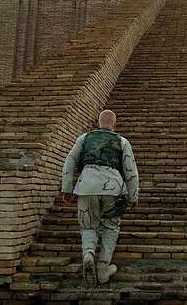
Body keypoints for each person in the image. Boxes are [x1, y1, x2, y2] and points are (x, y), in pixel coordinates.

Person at [61, 109, 139, 286]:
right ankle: (103, 268)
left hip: (86, 186)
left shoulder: (84, 138)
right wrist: (133, 196)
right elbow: (130, 171)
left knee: (88, 226)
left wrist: (66, 188)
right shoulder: (122, 141)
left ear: (98, 122)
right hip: (113, 188)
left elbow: (70, 161)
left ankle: (88, 254)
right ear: (114, 124)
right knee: (111, 227)